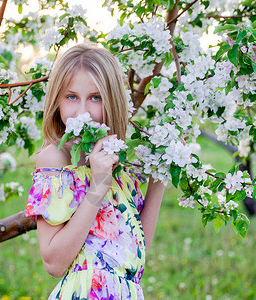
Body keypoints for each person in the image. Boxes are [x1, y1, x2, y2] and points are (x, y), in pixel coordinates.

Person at [25, 43, 166, 299]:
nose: (82, 112)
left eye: (95, 97)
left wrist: (158, 181)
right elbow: (54, 263)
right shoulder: (57, 160)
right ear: (57, 101)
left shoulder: (117, 158)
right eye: (71, 97)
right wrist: (98, 187)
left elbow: (133, 249)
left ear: (111, 100)